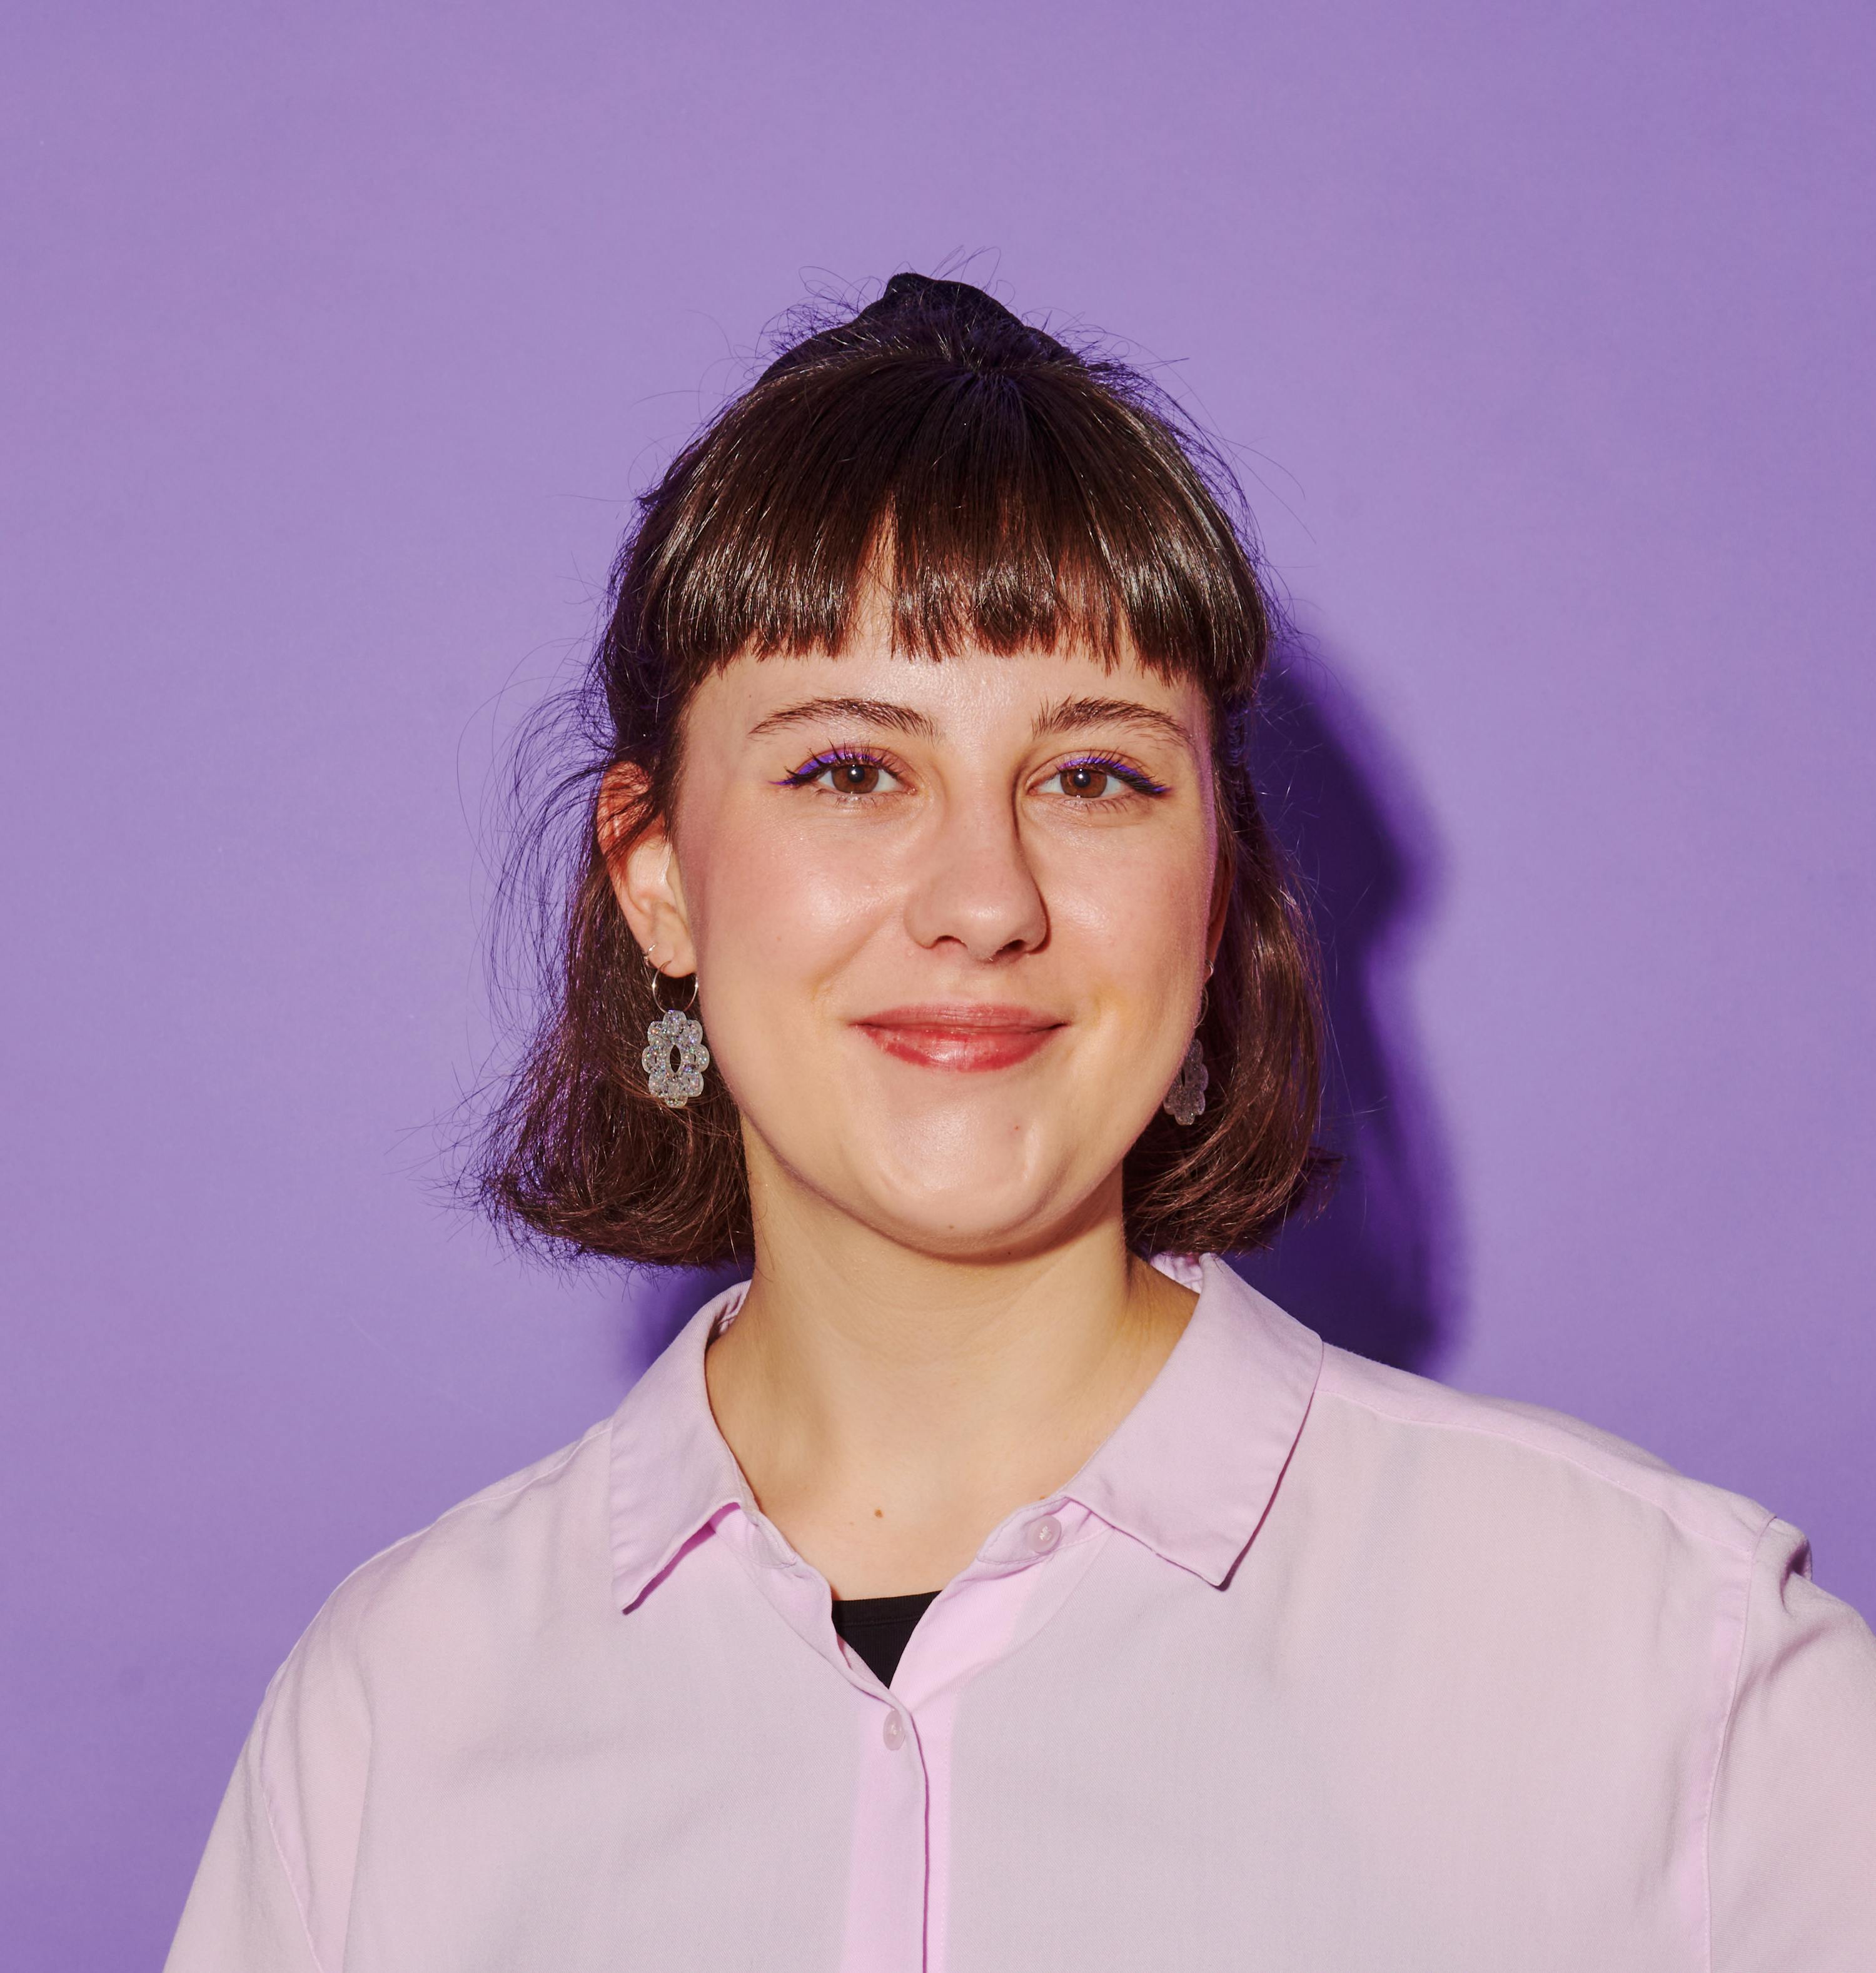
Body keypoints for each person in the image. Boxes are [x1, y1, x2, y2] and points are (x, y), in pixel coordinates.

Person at [166, 275, 1876, 1972]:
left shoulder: (1685, 1679)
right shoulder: (391, 1715)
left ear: (1212, 897)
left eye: (1095, 776)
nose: (984, 900)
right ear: (659, 876)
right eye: (850, 768)